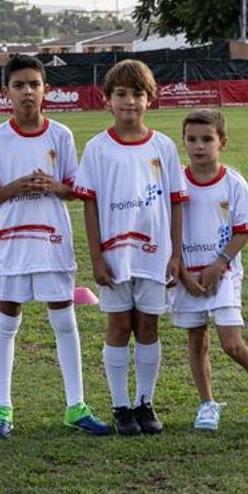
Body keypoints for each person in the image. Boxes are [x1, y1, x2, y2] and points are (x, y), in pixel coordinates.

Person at [0, 53, 110, 438]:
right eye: (19, 86)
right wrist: (18, 185)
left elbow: (75, 189)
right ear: (6, 92)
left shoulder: (61, 135)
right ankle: (2, 408)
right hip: (14, 243)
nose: (27, 92)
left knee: (64, 319)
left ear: (45, 90)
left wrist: (55, 186)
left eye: (34, 85)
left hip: (52, 240)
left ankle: (76, 405)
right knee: (6, 319)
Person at [73, 59, 185, 436]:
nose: (129, 102)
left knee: (149, 327)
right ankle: (121, 406)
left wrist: (175, 253)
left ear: (150, 99)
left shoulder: (164, 147)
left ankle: (144, 402)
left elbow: (176, 200)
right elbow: (89, 204)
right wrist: (96, 257)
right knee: (119, 326)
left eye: (137, 94)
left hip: (154, 255)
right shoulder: (97, 148)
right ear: (107, 99)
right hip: (115, 256)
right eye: (121, 94)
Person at [173, 109, 248, 431]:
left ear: (222, 142)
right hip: (187, 274)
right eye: (191, 139)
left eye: (207, 139)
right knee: (196, 340)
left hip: (223, 273)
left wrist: (219, 263)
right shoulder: (175, 181)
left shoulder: (234, 183)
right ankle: (207, 404)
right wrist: (184, 273)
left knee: (232, 344)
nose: (198, 146)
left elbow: (243, 230)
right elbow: (167, 228)